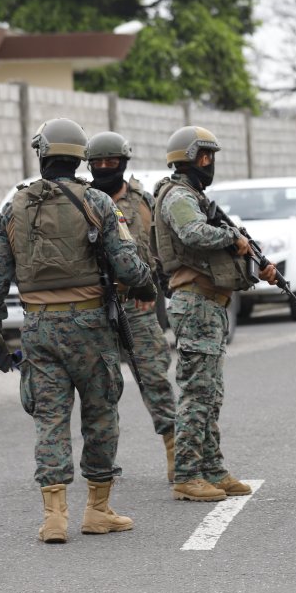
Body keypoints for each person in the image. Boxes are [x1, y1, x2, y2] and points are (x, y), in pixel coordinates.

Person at [0, 118, 157, 543]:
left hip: (38, 327)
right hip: (91, 326)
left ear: (42, 155)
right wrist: (145, 284)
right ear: (80, 158)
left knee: (50, 417)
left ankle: (54, 518)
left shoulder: (16, 206)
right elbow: (128, 265)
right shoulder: (97, 201)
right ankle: (97, 510)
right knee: (100, 413)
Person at [153, 125, 277, 502]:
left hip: (211, 305)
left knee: (211, 394)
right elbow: (193, 233)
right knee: (197, 393)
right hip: (195, 303)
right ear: (187, 159)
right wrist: (232, 238)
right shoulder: (178, 196)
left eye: (211, 157)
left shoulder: (195, 196)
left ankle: (212, 468)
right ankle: (187, 475)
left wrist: (256, 261)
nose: (209, 164)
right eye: (204, 156)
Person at [85, 131, 177, 482]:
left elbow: (159, 249)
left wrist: (165, 288)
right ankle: (100, 466)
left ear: (124, 163)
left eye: (112, 162)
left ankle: (175, 451)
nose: (105, 168)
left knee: (155, 378)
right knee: (99, 389)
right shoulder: (81, 202)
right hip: (93, 307)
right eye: (98, 163)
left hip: (136, 305)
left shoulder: (143, 202)